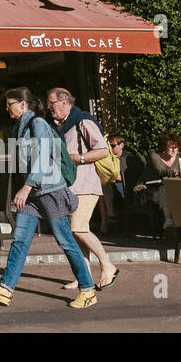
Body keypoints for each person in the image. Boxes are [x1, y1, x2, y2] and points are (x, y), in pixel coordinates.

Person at [0, 88, 97, 309]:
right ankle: (5, 289)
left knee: (65, 241)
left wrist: (25, 187)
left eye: (10, 103)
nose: (7, 107)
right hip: (34, 194)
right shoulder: (19, 127)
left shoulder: (38, 124)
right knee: (20, 241)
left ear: (23, 104)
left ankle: (88, 290)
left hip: (49, 191)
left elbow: (42, 157)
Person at [47, 88, 118, 290]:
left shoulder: (83, 121)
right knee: (76, 232)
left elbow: (103, 150)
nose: (49, 107)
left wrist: (79, 158)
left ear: (64, 102)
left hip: (86, 183)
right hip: (70, 185)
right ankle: (83, 275)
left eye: (51, 103)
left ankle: (107, 266)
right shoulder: (60, 125)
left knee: (78, 228)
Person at [143, 133, 181, 227]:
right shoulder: (155, 156)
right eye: (171, 147)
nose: (174, 150)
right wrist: (176, 173)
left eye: (176, 147)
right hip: (153, 189)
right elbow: (161, 172)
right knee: (165, 189)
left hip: (174, 189)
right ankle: (168, 220)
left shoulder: (179, 159)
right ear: (164, 147)